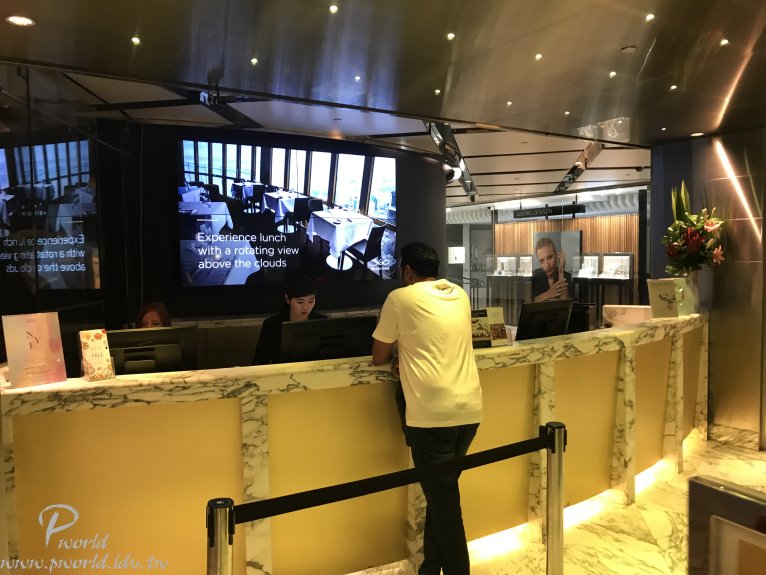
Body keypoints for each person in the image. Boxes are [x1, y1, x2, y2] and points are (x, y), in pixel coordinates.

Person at [371, 242, 482, 575]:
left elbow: (378, 356)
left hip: (432, 416)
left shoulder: (399, 298)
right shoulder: (460, 295)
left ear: (407, 271)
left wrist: (399, 357)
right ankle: (429, 569)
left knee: (445, 505)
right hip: (469, 411)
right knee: (440, 496)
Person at [252, 273, 326, 364]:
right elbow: (259, 361)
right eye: (300, 302)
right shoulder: (272, 325)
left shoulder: (322, 321)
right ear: (288, 299)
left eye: (311, 301)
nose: (306, 307)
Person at [531, 236, 573, 302]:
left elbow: (566, 304)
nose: (547, 264)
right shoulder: (536, 276)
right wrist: (549, 294)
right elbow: (531, 301)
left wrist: (561, 274)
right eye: (542, 261)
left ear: (556, 256)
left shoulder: (566, 276)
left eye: (550, 257)